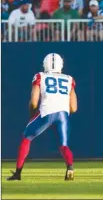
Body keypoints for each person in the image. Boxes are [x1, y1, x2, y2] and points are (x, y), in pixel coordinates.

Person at [7, 53, 77, 181]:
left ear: (45, 64)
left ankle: (18, 173)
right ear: (61, 64)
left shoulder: (40, 76)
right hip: (63, 114)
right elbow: (73, 107)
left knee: (26, 138)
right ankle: (70, 167)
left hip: (46, 112)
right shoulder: (69, 79)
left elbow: (34, 101)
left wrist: (32, 114)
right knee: (64, 145)